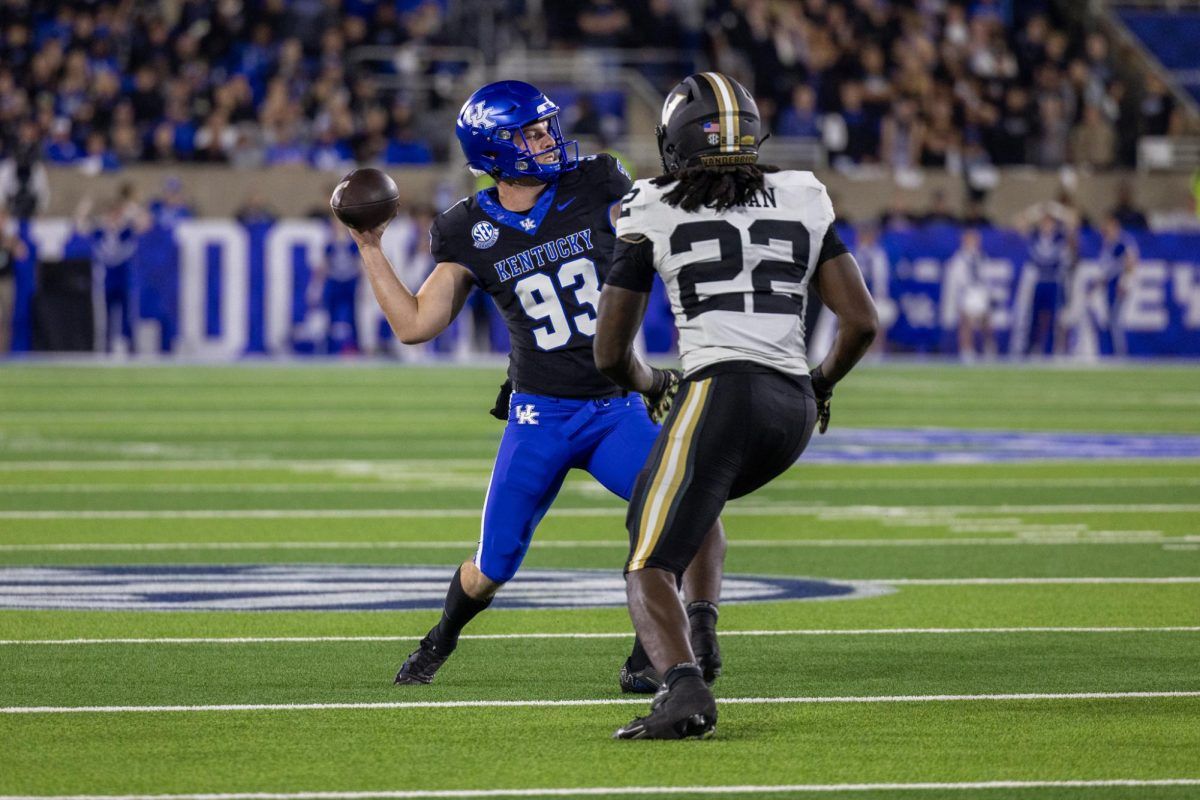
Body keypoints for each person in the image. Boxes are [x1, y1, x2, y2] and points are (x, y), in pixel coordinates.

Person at [344, 81, 726, 691]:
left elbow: (662, 232)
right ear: (498, 149)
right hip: (539, 417)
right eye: (533, 131)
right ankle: (442, 636)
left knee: (688, 515)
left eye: (546, 126)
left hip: (616, 408)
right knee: (491, 566)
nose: (550, 138)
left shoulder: (599, 181)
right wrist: (369, 247)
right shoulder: (466, 228)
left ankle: (653, 651)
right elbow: (415, 324)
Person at [593, 72, 877, 739]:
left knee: (646, 557)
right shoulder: (803, 192)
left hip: (719, 389)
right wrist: (821, 383)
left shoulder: (650, 202)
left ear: (675, 143)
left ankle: (682, 691)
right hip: (791, 409)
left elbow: (608, 350)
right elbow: (860, 321)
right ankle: (698, 631)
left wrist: (647, 380)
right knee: (672, 508)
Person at [1016, 204, 1077, 357]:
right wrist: (1036, 211)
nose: (1047, 225)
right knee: (1034, 316)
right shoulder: (1035, 235)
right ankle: (1031, 347)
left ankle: (1049, 349)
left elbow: (1073, 222)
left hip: (1054, 281)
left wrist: (1056, 210)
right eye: (1044, 222)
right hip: (1039, 281)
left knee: (1052, 316)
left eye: (1050, 222)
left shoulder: (1059, 237)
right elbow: (1019, 223)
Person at [944, 228, 995, 361]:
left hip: (980, 292)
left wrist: (987, 293)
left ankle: (989, 347)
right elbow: (955, 280)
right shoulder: (958, 259)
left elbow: (987, 276)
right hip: (966, 293)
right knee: (965, 320)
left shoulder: (982, 257)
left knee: (986, 322)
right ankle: (967, 350)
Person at [1095, 214, 1137, 357]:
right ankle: (1113, 352)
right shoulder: (1107, 242)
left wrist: (1125, 281)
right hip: (1110, 285)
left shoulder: (1124, 241)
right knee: (1110, 320)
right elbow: (1106, 267)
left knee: (1116, 320)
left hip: (1119, 284)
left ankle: (1120, 353)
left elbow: (1131, 261)